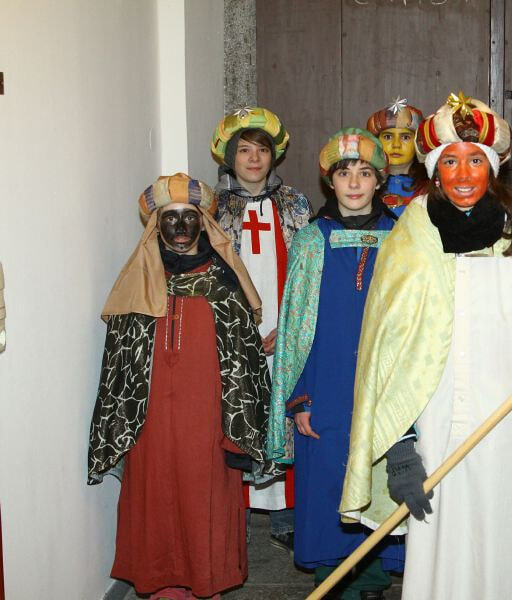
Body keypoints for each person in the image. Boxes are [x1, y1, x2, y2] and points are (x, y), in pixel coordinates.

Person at [339, 94, 512, 600]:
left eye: (475, 161)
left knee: (504, 550)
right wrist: (399, 447)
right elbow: (386, 353)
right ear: (433, 170)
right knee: (437, 555)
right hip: (436, 425)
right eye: (450, 161)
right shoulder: (409, 241)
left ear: (493, 167)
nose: (463, 174)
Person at [88, 174, 273, 599]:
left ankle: (208, 581)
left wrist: (238, 426)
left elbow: (245, 364)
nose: (180, 227)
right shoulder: (139, 280)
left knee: (205, 492)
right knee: (153, 492)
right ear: (156, 226)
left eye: (188, 216)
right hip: (150, 418)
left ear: (202, 223)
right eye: (169, 218)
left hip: (209, 416)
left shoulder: (224, 283)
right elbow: (118, 365)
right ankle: (160, 584)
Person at [269, 128, 401, 600]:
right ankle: (337, 573)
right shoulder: (312, 239)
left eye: (365, 172)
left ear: (380, 180)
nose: (355, 182)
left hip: (384, 379)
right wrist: (300, 395)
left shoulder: (400, 237)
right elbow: (295, 325)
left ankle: (375, 572)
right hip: (325, 382)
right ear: (330, 181)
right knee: (329, 474)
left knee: (381, 471)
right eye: (345, 173)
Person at [211, 106, 312, 551]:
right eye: (244, 150)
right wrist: (238, 331)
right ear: (229, 156)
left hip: (284, 328)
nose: (254, 159)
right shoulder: (213, 208)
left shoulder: (294, 204)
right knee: (236, 413)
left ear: (275, 156)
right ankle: (234, 513)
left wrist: (288, 328)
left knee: (282, 412)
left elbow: (308, 272)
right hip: (234, 332)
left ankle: (284, 516)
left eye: (262, 150)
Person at [366, 98, 427, 214]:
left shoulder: (432, 187)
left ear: (418, 142)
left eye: (405, 137)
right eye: (388, 137)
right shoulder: (363, 183)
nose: (396, 145)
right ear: (376, 142)